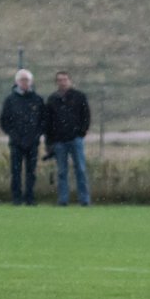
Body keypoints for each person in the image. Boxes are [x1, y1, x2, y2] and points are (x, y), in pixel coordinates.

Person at [0, 69, 47, 206]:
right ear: (17, 82)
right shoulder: (10, 100)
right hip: (16, 142)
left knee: (31, 172)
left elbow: (43, 120)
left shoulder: (37, 100)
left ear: (31, 82)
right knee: (16, 171)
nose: (24, 83)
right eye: (22, 80)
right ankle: (16, 198)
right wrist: (14, 135)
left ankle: (30, 198)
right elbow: (4, 121)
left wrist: (36, 135)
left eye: (26, 80)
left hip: (33, 142)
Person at [44, 71, 92, 207]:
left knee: (81, 169)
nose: (62, 82)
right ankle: (63, 200)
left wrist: (81, 132)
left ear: (69, 81)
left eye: (64, 80)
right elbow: (48, 122)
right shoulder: (52, 99)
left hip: (75, 139)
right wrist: (49, 141)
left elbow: (86, 116)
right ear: (56, 82)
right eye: (59, 80)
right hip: (59, 141)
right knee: (61, 172)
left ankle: (84, 200)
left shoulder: (79, 97)